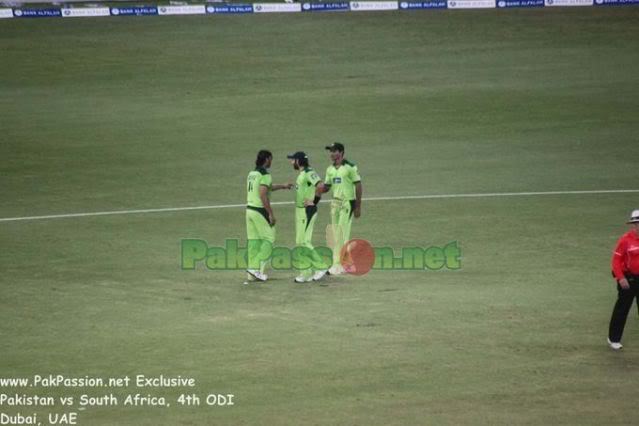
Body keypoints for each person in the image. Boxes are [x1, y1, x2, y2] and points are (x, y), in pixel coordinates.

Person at [317, 142, 363, 275]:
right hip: (335, 204)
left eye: (334, 151)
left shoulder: (350, 167)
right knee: (337, 233)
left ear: (341, 152)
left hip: (347, 203)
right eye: (330, 151)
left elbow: (358, 186)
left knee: (341, 234)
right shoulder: (330, 169)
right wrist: (320, 189)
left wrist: (358, 206)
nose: (331, 154)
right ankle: (347, 264)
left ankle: (339, 265)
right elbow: (327, 187)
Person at [246, 150, 291, 282]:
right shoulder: (265, 175)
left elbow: (266, 188)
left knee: (253, 242)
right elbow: (263, 194)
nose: (271, 161)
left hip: (249, 210)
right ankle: (255, 268)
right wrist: (270, 214)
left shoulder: (252, 173)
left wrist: (283, 186)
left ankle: (251, 273)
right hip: (260, 211)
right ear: (266, 160)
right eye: (271, 159)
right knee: (269, 238)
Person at [287, 151, 328, 283]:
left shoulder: (309, 173)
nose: (291, 162)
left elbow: (321, 185)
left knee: (305, 242)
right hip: (299, 211)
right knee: (300, 242)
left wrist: (314, 202)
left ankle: (321, 266)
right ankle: (305, 272)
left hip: (307, 211)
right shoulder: (302, 174)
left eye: (293, 160)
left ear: (299, 161)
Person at [608, 209, 639, 350]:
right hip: (628, 280)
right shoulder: (625, 240)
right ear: (634, 225)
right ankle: (613, 339)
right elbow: (616, 260)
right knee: (622, 309)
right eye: (637, 223)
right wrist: (621, 278)